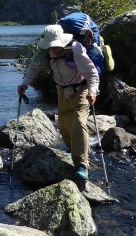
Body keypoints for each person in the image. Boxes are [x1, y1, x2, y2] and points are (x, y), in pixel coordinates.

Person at [17, 23, 99, 180]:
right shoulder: (44, 51)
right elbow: (34, 67)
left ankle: (82, 164)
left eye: (54, 45)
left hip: (82, 89)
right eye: (50, 46)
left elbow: (92, 73)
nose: (52, 48)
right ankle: (72, 148)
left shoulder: (75, 48)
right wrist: (24, 84)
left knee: (79, 122)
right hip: (62, 91)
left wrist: (93, 92)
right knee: (63, 124)